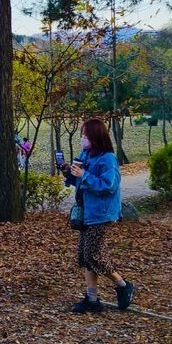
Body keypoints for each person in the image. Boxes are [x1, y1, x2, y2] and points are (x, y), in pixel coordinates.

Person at [61, 117, 135, 313]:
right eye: (81, 135)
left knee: (93, 254)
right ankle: (92, 299)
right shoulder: (85, 154)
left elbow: (109, 186)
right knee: (84, 256)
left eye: (85, 135)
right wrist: (68, 172)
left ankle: (122, 285)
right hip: (85, 212)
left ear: (96, 136)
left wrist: (83, 175)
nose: (82, 139)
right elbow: (79, 182)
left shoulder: (108, 158)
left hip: (101, 213)